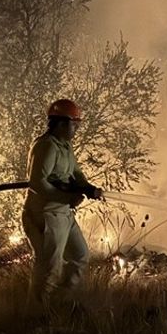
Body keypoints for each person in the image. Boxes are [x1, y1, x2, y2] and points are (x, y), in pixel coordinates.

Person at [21, 99, 102, 301]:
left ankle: (60, 301)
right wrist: (67, 198)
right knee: (50, 267)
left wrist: (88, 188)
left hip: (63, 212)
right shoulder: (46, 147)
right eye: (74, 124)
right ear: (61, 123)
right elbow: (37, 183)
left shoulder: (64, 147)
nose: (76, 129)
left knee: (80, 256)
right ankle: (39, 314)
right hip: (47, 214)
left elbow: (76, 173)